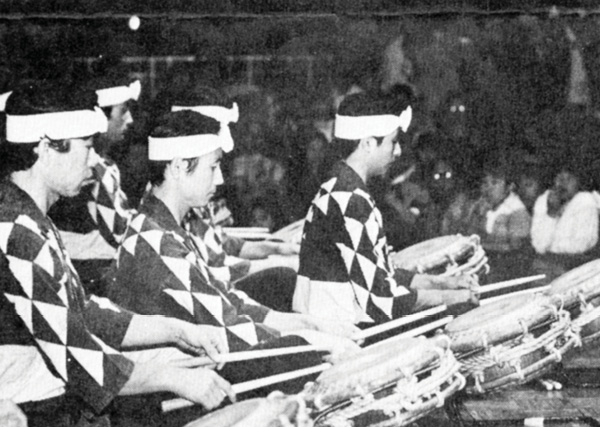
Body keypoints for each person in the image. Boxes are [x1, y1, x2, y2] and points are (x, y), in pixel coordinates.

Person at [0, 81, 236, 427]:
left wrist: (176, 330)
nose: (94, 161)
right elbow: (79, 361)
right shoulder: (18, 231)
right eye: (87, 147)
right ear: (46, 148)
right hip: (35, 410)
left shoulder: (27, 218)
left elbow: (83, 313)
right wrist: (175, 378)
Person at [107, 110, 359, 388]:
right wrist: (314, 341)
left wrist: (311, 325)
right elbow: (231, 328)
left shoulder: (164, 225)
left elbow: (227, 301)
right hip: (177, 384)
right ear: (178, 167)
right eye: (213, 167)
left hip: (200, 358)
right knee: (306, 354)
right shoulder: (156, 241)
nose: (220, 179)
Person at [294, 90, 479, 326]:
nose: (398, 151)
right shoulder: (351, 200)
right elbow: (382, 301)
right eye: (393, 142)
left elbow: (382, 273)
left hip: (327, 321)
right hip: (336, 330)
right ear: (368, 144)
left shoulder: (339, 186)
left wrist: (443, 283)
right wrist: (453, 298)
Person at [48, 65, 140, 296]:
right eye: (123, 111)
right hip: (86, 282)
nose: (129, 119)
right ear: (102, 117)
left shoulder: (104, 165)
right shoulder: (92, 171)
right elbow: (123, 234)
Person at [464, 159, 532, 283]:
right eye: (485, 183)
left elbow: (515, 249)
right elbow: (470, 235)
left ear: (509, 187)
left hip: (507, 271)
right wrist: (477, 215)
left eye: (494, 183)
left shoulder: (517, 211)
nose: (488, 188)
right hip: (487, 268)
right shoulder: (483, 207)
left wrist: (484, 247)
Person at [531, 159, 599, 282]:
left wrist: (550, 246)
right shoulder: (544, 200)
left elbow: (580, 246)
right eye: (559, 178)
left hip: (574, 267)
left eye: (569, 179)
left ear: (579, 182)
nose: (562, 184)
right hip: (544, 265)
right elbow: (538, 245)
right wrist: (551, 213)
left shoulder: (585, 201)